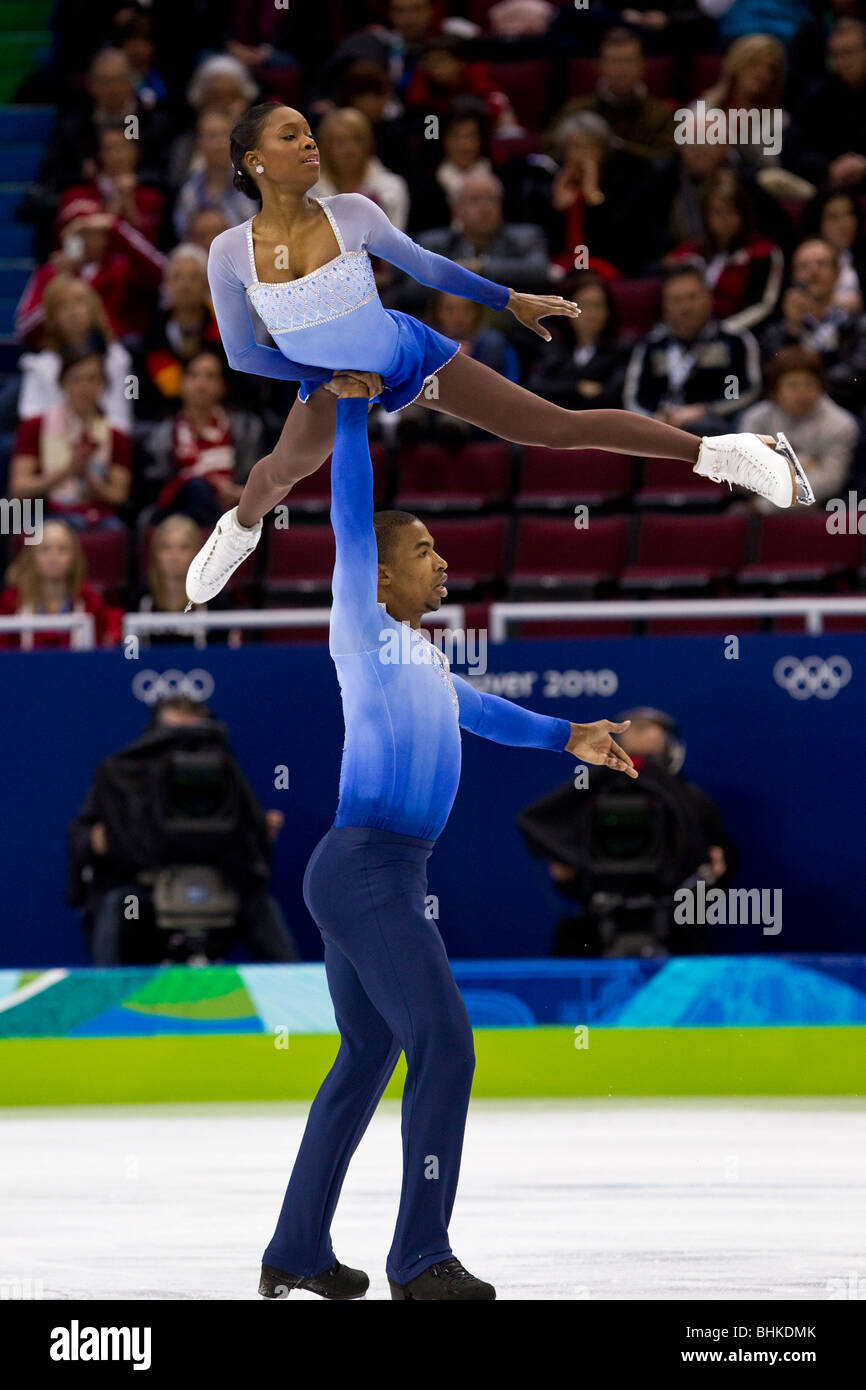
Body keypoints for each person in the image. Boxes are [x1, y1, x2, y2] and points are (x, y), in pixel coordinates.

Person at [257, 387, 638, 1302]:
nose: (442, 560)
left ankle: (295, 1249)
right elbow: (352, 516)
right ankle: (420, 1258)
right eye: (422, 549)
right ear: (379, 576)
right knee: (446, 1042)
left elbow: (487, 713)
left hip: (375, 871)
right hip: (366, 871)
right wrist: (350, 414)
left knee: (366, 1057)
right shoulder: (361, 625)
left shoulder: (423, 659)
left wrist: (568, 735)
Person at [185, 104, 810, 604]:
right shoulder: (229, 253)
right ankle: (238, 528)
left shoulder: (352, 213)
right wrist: (328, 375)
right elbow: (242, 354)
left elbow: (427, 266)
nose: (310, 143)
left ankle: (723, 454)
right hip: (328, 381)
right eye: (292, 137)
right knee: (277, 474)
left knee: (553, 427)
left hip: (407, 353)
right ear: (254, 162)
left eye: (310, 132)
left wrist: (508, 298)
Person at [623, 264, 762, 435]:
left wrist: (705, 410)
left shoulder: (734, 340)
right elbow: (634, 399)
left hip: (716, 429)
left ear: (708, 298)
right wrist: (652, 418)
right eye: (676, 300)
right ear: (664, 305)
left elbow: (748, 391)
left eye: (692, 297)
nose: (685, 307)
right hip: (659, 428)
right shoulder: (651, 345)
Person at [739, 347, 859, 510]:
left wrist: (768, 503)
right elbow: (744, 474)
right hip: (758, 510)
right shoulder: (755, 419)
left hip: (820, 512)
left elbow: (831, 480)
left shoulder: (841, 424)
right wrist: (801, 463)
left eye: (809, 384)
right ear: (775, 391)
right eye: (792, 386)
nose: (802, 393)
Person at [0, 518, 123, 650]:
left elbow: (107, 640)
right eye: (45, 549)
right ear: (32, 556)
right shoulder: (11, 603)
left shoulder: (91, 602)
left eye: (62, 549)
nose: (54, 557)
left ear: (74, 557)